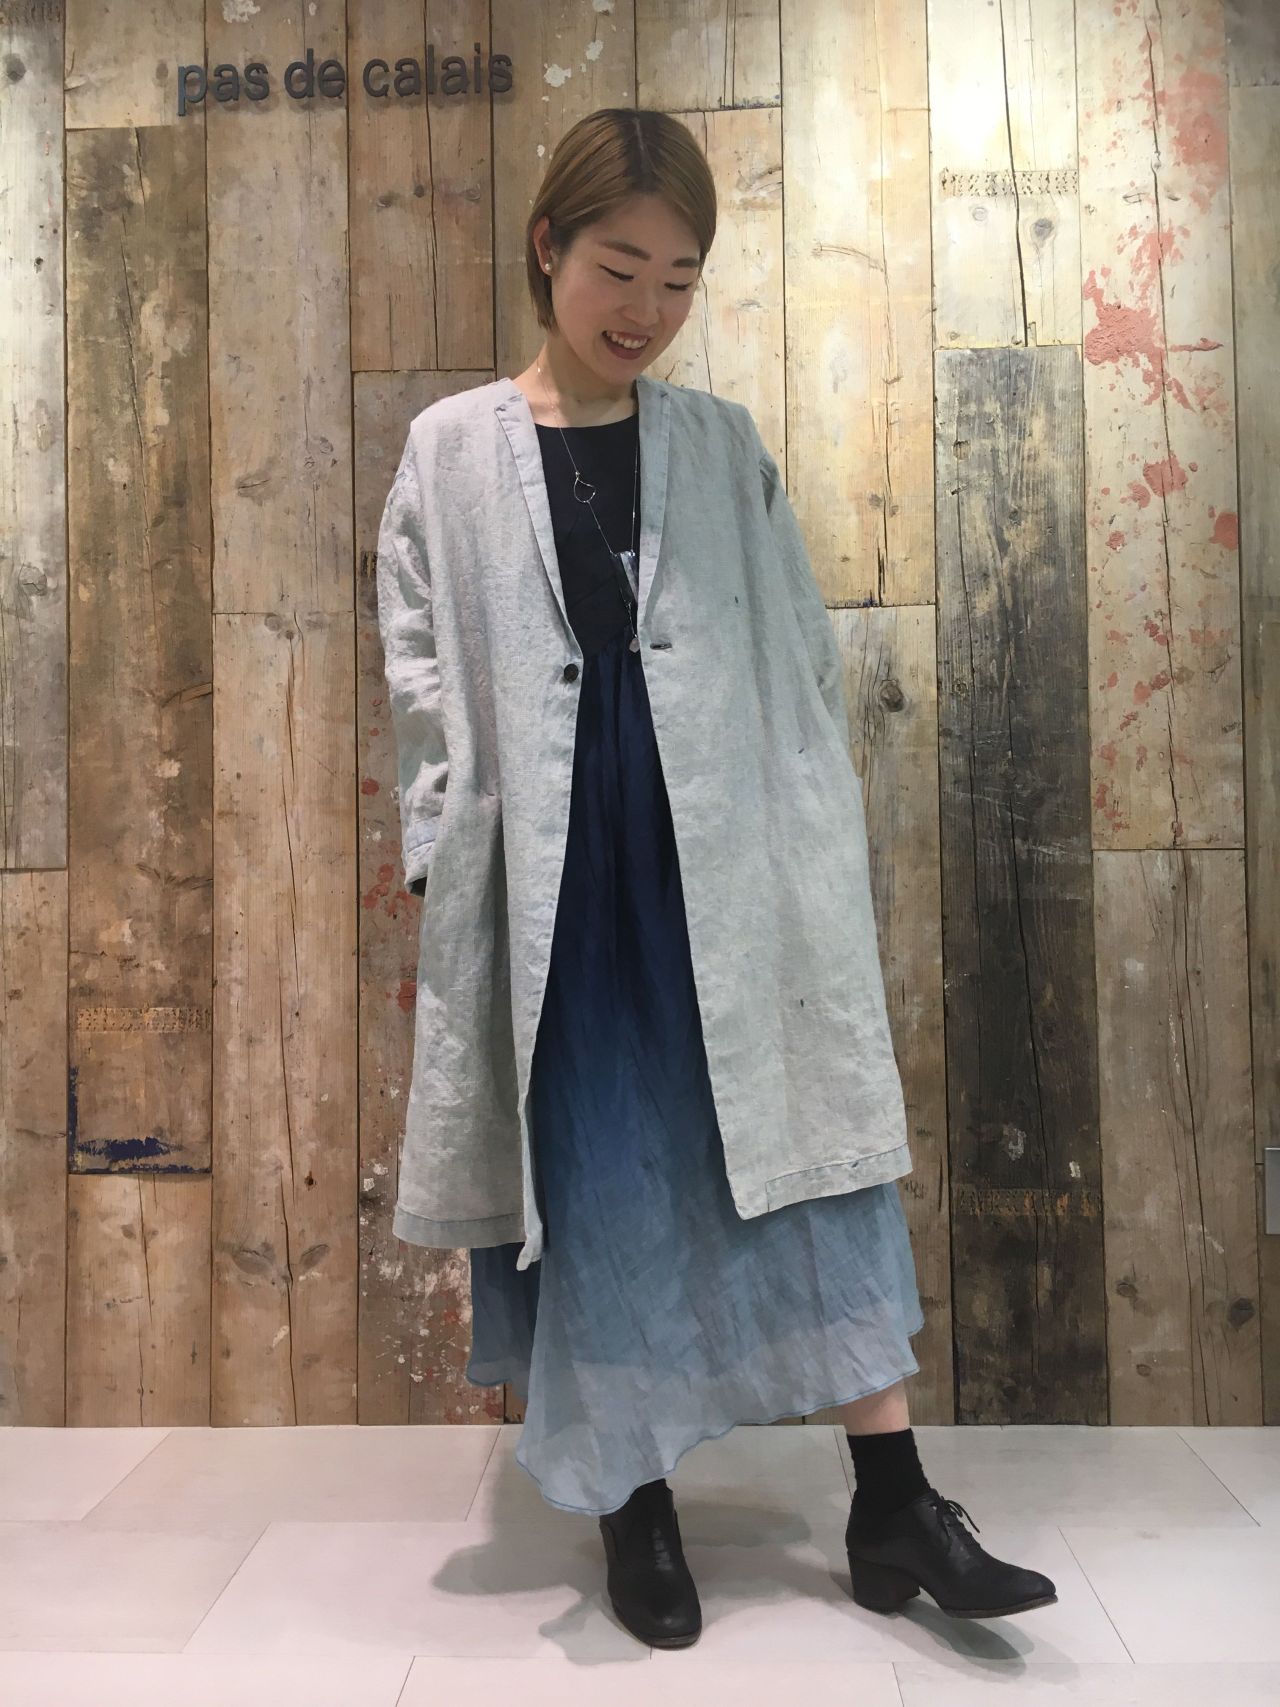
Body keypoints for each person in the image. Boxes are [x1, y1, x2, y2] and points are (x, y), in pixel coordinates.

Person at [378, 107, 1056, 1648]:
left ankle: (897, 1505)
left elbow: (797, 653)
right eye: (620, 269)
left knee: (815, 1165)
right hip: (561, 882)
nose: (647, 309)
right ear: (548, 248)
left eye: (680, 280)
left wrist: (812, 838)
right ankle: (636, 1503)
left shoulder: (718, 443)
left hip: (727, 862)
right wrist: (441, 853)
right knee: (608, 1178)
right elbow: (417, 670)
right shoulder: (451, 450)